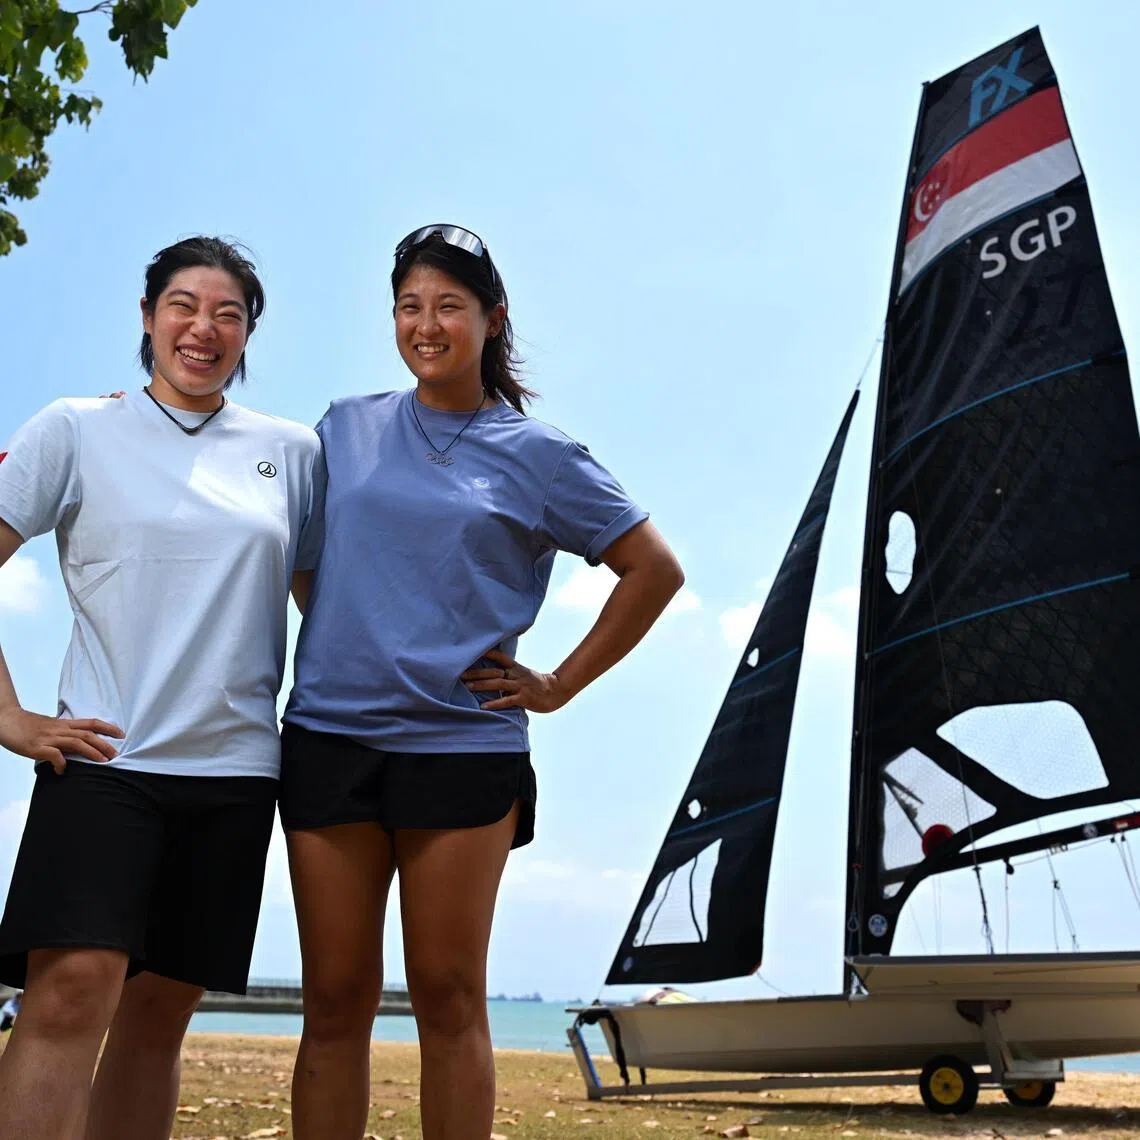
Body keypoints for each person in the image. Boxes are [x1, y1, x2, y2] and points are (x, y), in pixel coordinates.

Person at [279, 224, 685, 1140]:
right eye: (409, 307)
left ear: (493, 319)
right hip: (329, 739)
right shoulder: (345, 427)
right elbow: (304, 556)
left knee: (450, 994)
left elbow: (653, 569)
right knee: (334, 998)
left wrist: (559, 683)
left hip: (462, 746)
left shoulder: (540, 454)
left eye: (448, 307)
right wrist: (357, 628)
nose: (426, 326)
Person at [0, 236, 323, 1140]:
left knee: (158, 1015)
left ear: (248, 333)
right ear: (148, 317)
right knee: (70, 992)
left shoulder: (292, 451)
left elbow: (327, 604)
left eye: (228, 314)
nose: (203, 328)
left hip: (236, 773)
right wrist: (9, 716)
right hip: (106, 760)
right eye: (183, 305)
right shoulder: (75, 428)